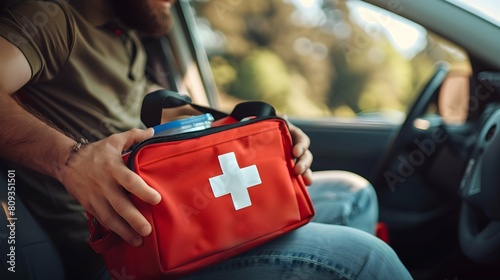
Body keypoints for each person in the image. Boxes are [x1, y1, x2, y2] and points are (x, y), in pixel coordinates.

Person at [0, 0, 412, 279]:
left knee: (351, 194)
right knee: (367, 260)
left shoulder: (126, 42)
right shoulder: (52, 21)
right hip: (127, 252)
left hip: (184, 211)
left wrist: (265, 134)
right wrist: (70, 160)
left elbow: (188, 117)